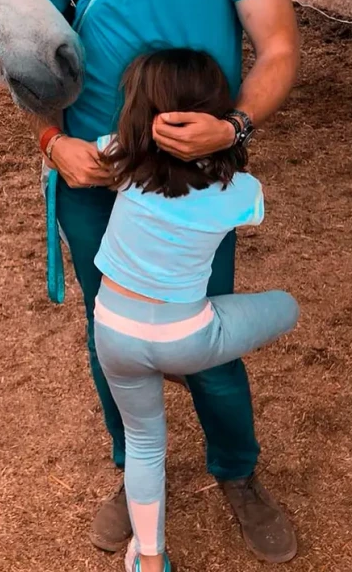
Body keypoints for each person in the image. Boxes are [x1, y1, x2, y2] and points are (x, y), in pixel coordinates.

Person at [30, 0, 300, 563]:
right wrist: (52, 144)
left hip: (189, 180)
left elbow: (279, 46)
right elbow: (35, 70)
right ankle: (133, 465)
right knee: (106, 329)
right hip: (93, 175)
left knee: (202, 330)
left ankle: (237, 472)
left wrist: (237, 126)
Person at [92, 48, 299, 572]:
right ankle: (181, 370)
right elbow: (256, 208)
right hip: (187, 337)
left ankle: (151, 559)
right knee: (285, 306)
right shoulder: (235, 190)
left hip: (112, 334)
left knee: (144, 443)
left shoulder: (121, 158)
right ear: (211, 115)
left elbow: (96, 153)